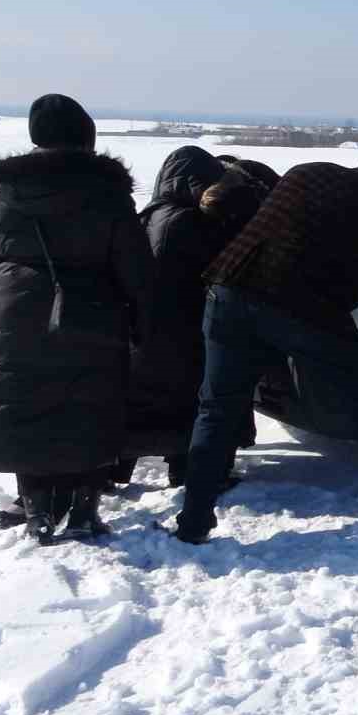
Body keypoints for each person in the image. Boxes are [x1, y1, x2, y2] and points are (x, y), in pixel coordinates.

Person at [171, 143, 358, 544]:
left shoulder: (307, 170)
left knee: (216, 410)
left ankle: (193, 522)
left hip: (228, 292)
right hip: (294, 312)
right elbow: (344, 298)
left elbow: (285, 230)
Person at [0, 94, 152, 544]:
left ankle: (36, 510)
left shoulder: (3, 190)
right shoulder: (107, 193)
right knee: (91, 404)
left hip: (13, 308)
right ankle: (85, 510)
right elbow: (135, 263)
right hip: (92, 310)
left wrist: (15, 276)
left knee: (21, 403)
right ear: (85, 138)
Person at [122, 149, 266, 490]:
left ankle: (141, 467)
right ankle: (189, 469)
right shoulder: (188, 221)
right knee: (193, 400)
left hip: (150, 327)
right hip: (185, 322)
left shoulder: (151, 214)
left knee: (159, 400)